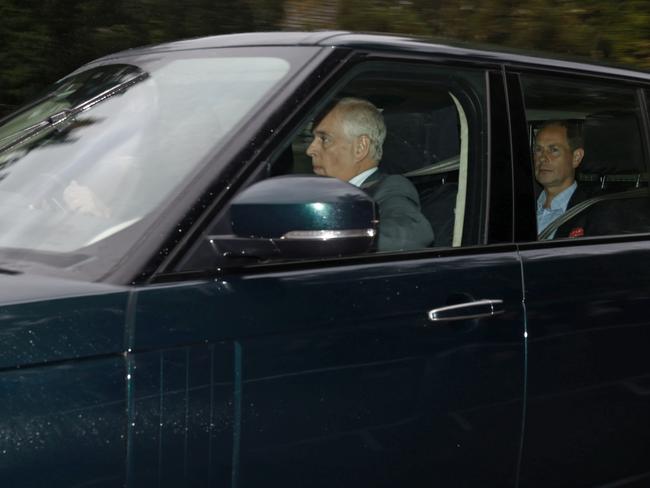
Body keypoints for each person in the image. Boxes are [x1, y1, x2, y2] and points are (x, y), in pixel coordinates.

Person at [306, 97, 434, 251]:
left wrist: (326, 237)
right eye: (313, 139)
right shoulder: (314, 192)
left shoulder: (390, 188)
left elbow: (412, 234)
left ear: (360, 147)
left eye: (324, 139)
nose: (310, 150)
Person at [533, 120, 586, 239]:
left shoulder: (593, 212)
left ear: (576, 157)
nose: (542, 158)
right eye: (538, 150)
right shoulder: (514, 206)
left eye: (553, 150)